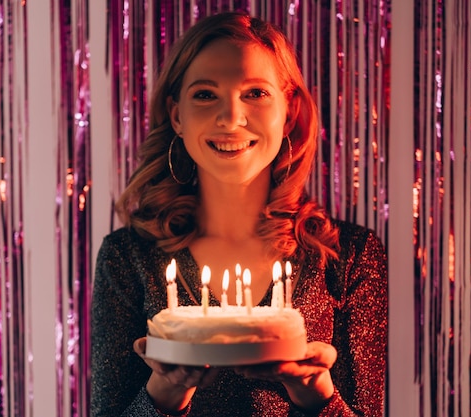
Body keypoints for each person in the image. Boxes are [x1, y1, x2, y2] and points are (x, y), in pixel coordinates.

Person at [90, 11, 387, 417]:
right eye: (206, 94)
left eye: (255, 93)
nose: (230, 118)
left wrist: (316, 395)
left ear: (290, 113)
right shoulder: (128, 258)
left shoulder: (348, 257)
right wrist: (164, 393)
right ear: (177, 116)